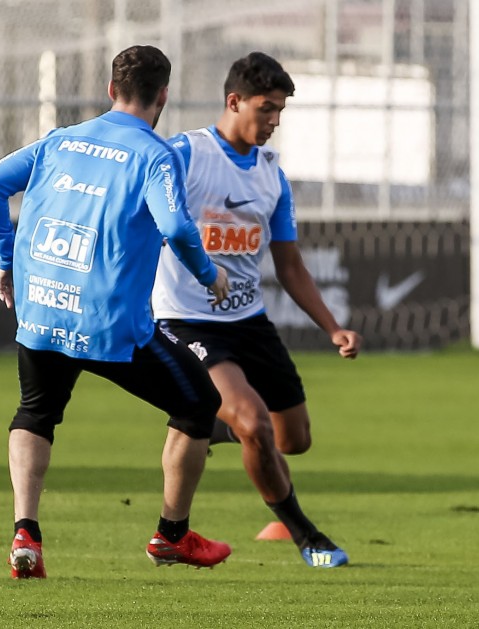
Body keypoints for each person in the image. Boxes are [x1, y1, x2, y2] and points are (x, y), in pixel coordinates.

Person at [0, 45, 233, 579]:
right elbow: (179, 229)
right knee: (199, 404)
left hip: (42, 306)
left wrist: (7, 259)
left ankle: (27, 532)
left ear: (111, 90)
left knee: (36, 412)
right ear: (164, 96)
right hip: (110, 323)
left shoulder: (59, 141)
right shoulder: (154, 154)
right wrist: (210, 275)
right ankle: (172, 536)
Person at [151, 51, 362, 569]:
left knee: (294, 440)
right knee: (256, 426)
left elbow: (289, 267)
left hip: (249, 323)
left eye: (280, 113)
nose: (273, 122)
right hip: (186, 320)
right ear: (234, 101)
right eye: (266, 109)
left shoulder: (272, 176)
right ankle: (307, 536)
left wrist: (333, 327)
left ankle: (203, 423)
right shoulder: (185, 155)